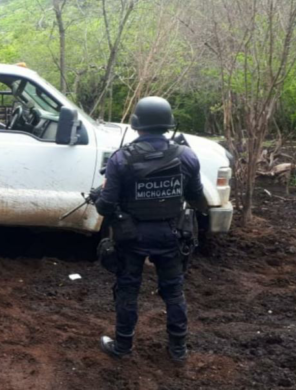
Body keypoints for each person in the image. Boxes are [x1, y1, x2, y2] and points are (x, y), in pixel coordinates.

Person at [94, 96, 205, 364]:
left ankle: (122, 346)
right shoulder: (187, 155)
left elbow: (105, 207)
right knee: (174, 291)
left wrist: (98, 196)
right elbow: (198, 199)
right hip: (172, 234)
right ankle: (178, 350)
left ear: (136, 124)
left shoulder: (121, 160)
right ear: (168, 125)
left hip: (131, 236)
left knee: (128, 290)